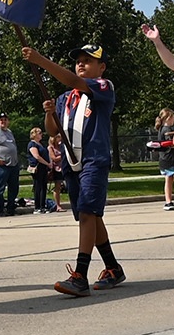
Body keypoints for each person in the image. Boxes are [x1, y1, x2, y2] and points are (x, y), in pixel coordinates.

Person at [24, 42, 124, 296]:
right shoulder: (65, 99)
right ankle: (112, 267)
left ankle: (80, 275)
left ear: (101, 67)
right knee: (88, 215)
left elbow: (73, 80)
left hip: (93, 160)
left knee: (88, 213)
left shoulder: (103, 87)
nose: (81, 64)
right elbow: (52, 130)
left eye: (88, 61)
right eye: (78, 60)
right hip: (71, 162)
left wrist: (40, 60)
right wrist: (49, 113)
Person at [0, 113, 21, 217]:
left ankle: (10, 209)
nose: (3, 121)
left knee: (14, 188)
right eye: (1, 119)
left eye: (5, 119)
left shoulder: (9, 132)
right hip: (1, 166)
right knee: (0, 189)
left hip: (13, 165)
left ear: (8, 121)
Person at [150, 108, 174, 211]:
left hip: (164, 159)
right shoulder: (167, 130)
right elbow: (172, 144)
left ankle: (168, 201)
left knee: (169, 180)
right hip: (171, 158)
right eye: (173, 117)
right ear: (168, 118)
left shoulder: (161, 129)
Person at [27, 125, 55, 214]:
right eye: (39, 133)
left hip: (44, 168)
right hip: (37, 167)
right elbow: (37, 156)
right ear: (34, 134)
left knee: (44, 187)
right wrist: (47, 163)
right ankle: (37, 207)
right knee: (38, 187)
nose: (41, 134)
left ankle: (43, 206)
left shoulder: (41, 144)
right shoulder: (32, 144)